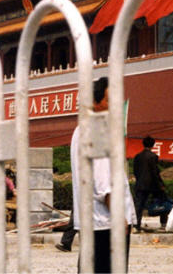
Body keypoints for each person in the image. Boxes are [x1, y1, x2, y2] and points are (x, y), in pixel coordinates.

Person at [71, 77, 136, 273]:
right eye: (110, 101)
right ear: (95, 102)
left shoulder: (81, 130)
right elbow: (103, 184)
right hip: (106, 225)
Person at [133, 136, 167, 231]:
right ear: (153, 145)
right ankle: (163, 223)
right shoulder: (153, 156)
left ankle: (136, 225)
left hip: (140, 184)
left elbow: (135, 171)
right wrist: (160, 185)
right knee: (162, 202)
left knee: (139, 206)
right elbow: (155, 172)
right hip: (152, 185)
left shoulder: (137, 156)